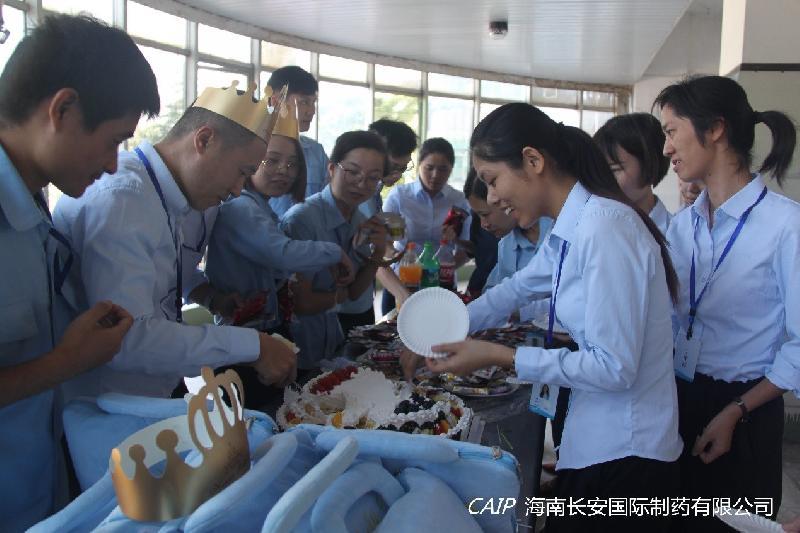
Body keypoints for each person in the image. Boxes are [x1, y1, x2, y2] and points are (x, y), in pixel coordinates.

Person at [407, 103, 683, 532]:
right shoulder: (573, 225)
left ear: (533, 161)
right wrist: (438, 328)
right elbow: (517, 288)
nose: (492, 198)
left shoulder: (605, 228)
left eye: (493, 180)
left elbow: (614, 367)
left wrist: (499, 355)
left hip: (626, 451)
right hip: (595, 439)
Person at [0, 14, 159, 531]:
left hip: (36, 491)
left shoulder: (31, 208)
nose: (113, 165)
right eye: (113, 140)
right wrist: (66, 361)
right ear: (63, 109)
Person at [53, 83, 298, 401]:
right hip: (107, 402)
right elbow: (128, 338)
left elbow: (163, 277)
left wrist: (209, 296)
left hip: (150, 389)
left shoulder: (168, 198)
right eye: (242, 172)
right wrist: (254, 345)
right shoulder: (125, 199)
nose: (238, 190)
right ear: (204, 140)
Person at [655, 75, 798, 530]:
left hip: (747, 410)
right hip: (682, 397)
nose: (666, 148)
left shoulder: (785, 226)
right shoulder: (683, 226)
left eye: (672, 131)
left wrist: (736, 411)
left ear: (715, 129)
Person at [204, 105, 354, 404]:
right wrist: (335, 252)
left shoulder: (262, 208)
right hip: (244, 338)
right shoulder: (241, 207)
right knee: (255, 418)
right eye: (271, 160)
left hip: (264, 330)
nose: (283, 171)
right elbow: (281, 253)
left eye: (292, 164)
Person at [281, 131, 390, 369]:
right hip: (296, 349)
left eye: (373, 178)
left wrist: (378, 251)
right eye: (352, 172)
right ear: (331, 168)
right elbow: (301, 303)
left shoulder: (359, 220)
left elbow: (354, 292)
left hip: (331, 340)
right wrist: (338, 297)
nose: (361, 184)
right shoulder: (302, 220)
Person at [381, 137, 472, 314]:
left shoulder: (459, 201)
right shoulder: (400, 196)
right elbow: (382, 242)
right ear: (419, 165)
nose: (435, 175)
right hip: (402, 280)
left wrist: (446, 265)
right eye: (429, 168)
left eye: (443, 169)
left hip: (442, 283)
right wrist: (399, 257)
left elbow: (467, 249)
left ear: (451, 169)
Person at [593, 112, 672, 233]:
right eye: (599, 171)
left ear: (649, 166)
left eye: (614, 170)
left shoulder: (678, 235)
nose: (603, 180)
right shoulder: (594, 228)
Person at [266, 66, 329, 219]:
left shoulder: (316, 152)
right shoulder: (254, 147)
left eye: (313, 102)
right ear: (275, 101)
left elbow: (327, 201)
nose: (312, 111)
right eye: (304, 102)